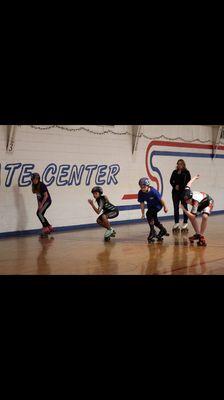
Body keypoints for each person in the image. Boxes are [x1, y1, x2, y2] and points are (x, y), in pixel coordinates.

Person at [179, 174, 214, 246]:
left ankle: (201, 235)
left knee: (204, 217)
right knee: (191, 217)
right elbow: (189, 183)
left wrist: (183, 209)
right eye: (185, 201)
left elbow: (192, 216)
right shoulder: (187, 190)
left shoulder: (195, 202)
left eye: (188, 201)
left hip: (207, 202)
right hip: (200, 203)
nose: (187, 202)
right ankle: (198, 233)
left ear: (191, 198)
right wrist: (195, 178)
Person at [138, 177, 169, 243]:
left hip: (158, 206)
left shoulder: (153, 191)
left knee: (149, 214)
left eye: (144, 186)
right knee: (155, 221)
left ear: (148, 185)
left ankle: (152, 231)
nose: (142, 188)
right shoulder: (140, 193)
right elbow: (142, 204)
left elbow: (161, 200)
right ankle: (163, 230)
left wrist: (165, 207)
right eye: (141, 187)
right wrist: (142, 214)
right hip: (151, 207)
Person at [170, 159, 191, 231]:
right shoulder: (174, 172)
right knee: (176, 207)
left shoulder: (186, 172)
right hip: (175, 193)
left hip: (183, 193)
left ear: (183, 165)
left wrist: (180, 186)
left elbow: (187, 182)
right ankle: (176, 223)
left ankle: (185, 222)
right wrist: (174, 185)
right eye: (178, 164)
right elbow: (171, 180)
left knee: (184, 207)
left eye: (181, 164)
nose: (179, 165)